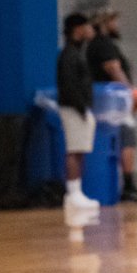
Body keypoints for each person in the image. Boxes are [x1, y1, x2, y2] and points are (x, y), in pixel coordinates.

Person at [87, 6, 137, 202]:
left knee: (120, 142)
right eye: (113, 20)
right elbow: (113, 68)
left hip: (107, 103)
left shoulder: (96, 44)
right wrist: (131, 92)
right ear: (105, 23)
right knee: (127, 140)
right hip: (114, 104)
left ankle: (125, 184)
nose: (116, 24)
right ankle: (128, 186)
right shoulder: (104, 44)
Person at [57, 12, 99, 214]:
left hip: (80, 108)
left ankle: (77, 191)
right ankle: (73, 194)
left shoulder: (77, 52)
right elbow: (68, 85)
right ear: (78, 29)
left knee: (80, 149)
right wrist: (81, 107)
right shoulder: (68, 55)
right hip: (74, 109)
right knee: (74, 150)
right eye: (86, 27)